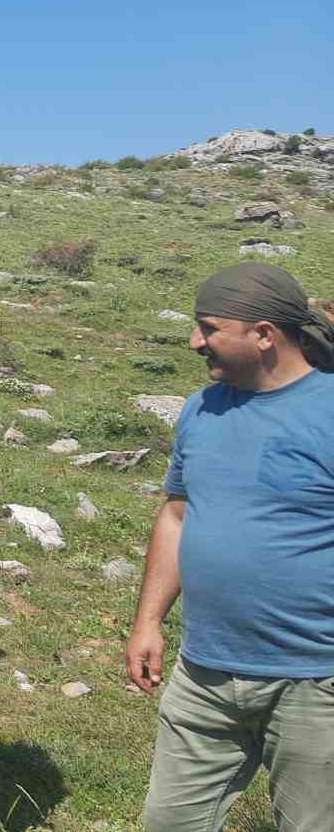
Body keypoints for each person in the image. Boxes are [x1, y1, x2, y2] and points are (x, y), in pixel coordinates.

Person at [125, 263, 334, 830]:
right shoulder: (203, 407)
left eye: (209, 327)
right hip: (205, 671)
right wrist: (149, 621)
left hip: (314, 681)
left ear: (265, 335)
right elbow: (175, 514)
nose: (195, 341)